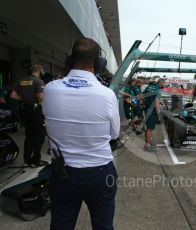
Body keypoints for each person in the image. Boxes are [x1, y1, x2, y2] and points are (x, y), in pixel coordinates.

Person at [43, 38, 120, 229]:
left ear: (70, 60)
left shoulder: (50, 89)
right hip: (99, 173)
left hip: (62, 174)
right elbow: (114, 134)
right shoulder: (107, 95)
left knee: (61, 224)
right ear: (99, 64)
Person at [11, 64, 47, 167]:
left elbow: (13, 95)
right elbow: (40, 98)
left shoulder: (21, 81)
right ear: (39, 71)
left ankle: (27, 160)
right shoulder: (38, 81)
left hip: (25, 110)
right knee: (39, 135)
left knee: (29, 135)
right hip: (36, 110)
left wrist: (24, 99)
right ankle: (36, 161)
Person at [143, 78, 165, 152]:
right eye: (164, 83)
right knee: (150, 128)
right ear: (161, 83)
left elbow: (143, 97)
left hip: (146, 110)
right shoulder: (158, 90)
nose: (164, 85)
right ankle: (148, 145)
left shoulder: (148, 87)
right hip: (152, 112)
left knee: (148, 127)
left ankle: (147, 143)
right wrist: (159, 113)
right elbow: (156, 103)